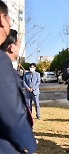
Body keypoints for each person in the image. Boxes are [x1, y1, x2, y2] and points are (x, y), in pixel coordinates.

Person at [0, 17, 36, 154]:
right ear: (11, 47)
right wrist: (27, 142)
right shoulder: (4, 69)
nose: (20, 47)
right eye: (19, 44)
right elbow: (10, 112)